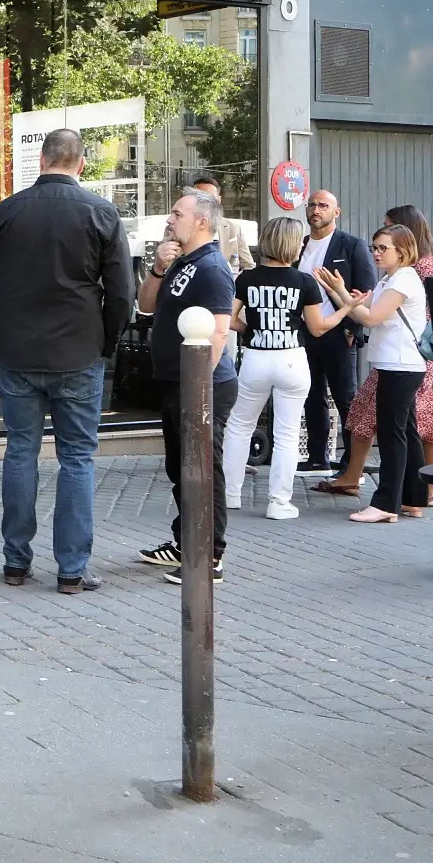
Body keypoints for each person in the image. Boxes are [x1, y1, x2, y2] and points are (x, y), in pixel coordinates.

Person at [0, 129, 132, 591]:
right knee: (77, 459)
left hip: (18, 350)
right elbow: (121, 293)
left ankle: (15, 562)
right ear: (80, 165)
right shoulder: (101, 212)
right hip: (78, 351)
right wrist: (107, 343)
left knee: (20, 451)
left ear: (41, 161)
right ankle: (71, 569)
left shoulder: (8, 210)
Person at [219, 217, 349, 521]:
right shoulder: (304, 282)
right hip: (292, 359)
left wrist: (251, 325)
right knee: (288, 433)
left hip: (256, 357)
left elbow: (229, 318)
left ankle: (231, 494)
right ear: (293, 245)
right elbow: (317, 328)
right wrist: (345, 309)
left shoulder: (247, 279)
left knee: (239, 427)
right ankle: (279, 502)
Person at [136, 192, 237, 585]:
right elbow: (146, 306)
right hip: (176, 382)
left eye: (177, 213)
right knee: (181, 468)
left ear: (201, 222)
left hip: (201, 385)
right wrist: (159, 269)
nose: (169, 218)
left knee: (203, 471)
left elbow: (218, 332)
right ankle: (186, 542)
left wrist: (198, 392)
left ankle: (210, 555)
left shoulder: (212, 267)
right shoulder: (182, 262)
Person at [313, 206, 433, 498]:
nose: (375, 252)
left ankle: (402, 497)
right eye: (375, 246)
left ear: (402, 244)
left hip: (408, 359)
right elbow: (368, 310)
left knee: (405, 429)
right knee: (393, 426)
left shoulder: (411, 275)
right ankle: (412, 495)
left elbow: (373, 316)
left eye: (382, 245)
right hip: (394, 359)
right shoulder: (392, 277)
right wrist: (339, 292)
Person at [296, 190, 376, 472]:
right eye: (312, 205)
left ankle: (352, 462)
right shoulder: (300, 245)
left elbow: (366, 290)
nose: (316, 210)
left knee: (346, 398)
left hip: (340, 333)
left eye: (323, 205)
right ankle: (318, 456)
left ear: (336, 212)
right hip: (304, 333)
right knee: (311, 394)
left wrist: (352, 327)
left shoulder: (351, 246)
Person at [190, 173, 253, 275]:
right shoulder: (182, 227)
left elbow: (249, 266)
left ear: (219, 200)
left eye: (209, 197)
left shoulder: (234, 229)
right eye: (199, 197)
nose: (204, 202)